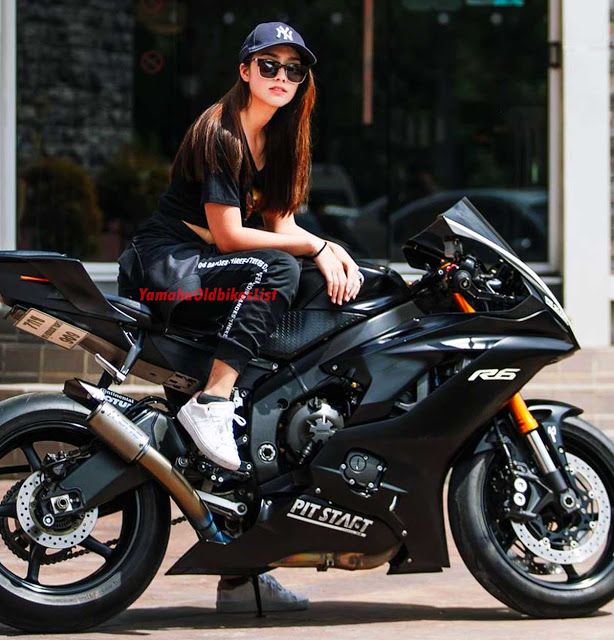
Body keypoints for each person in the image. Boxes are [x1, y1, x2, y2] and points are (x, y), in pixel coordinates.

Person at [117, 21, 364, 613]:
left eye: (293, 69)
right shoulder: (220, 133)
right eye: (269, 65)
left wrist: (333, 250)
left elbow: (280, 228)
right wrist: (310, 250)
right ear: (245, 70)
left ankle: (244, 572)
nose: (282, 77)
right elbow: (232, 236)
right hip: (167, 267)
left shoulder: (281, 140)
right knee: (279, 271)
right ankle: (213, 402)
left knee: (309, 274)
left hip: (207, 268)